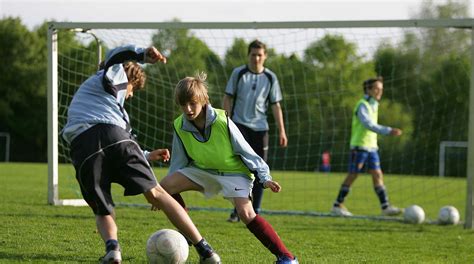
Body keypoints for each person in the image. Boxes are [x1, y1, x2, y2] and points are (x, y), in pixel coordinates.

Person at [61, 45, 220, 264]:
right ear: (129, 78)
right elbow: (116, 56)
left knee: (102, 206)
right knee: (157, 193)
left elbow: (114, 144)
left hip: (84, 145)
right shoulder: (111, 74)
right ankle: (206, 251)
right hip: (112, 134)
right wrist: (143, 54)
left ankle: (113, 250)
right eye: (133, 89)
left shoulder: (107, 104)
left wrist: (146, 154)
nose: (132, 94)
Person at [160, 73, 298, 264]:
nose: (188, 109)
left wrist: (264, 178)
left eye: (192, 103)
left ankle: (286, 257)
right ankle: (189, 234)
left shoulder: (222, 121)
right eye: (183, 105)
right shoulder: (179, 125)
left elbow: (247, 152)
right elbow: (178, 163)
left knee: (246, 213)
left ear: (203, 100)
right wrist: (162, 196)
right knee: (164, 186)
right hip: (204, 171)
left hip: (234, 173)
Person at [222, 39, 287, 223]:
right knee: (239, 170)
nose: (256, 58)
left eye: (260, 55)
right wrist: (226, 122)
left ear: (265, 56)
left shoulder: (270, 77)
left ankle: (255, 210)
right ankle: (237, 210)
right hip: (239, 126)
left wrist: (282, 131)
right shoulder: (239, 73)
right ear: (248, 55)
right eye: (253, 55)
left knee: (260, 170)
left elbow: (276, 106)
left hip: (261, 128)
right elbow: (227, 98)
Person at [331, 77, 403, 217]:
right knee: (353, 174)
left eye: (381, 89)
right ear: (368, 90)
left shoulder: (373, 105)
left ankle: (385, 207)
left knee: (377, 174)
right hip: (359, 146)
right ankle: (337, 205)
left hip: (372, 147)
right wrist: (388, 130)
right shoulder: (362, 105)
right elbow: (367, 124)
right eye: (377, 89)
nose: (379, 92)